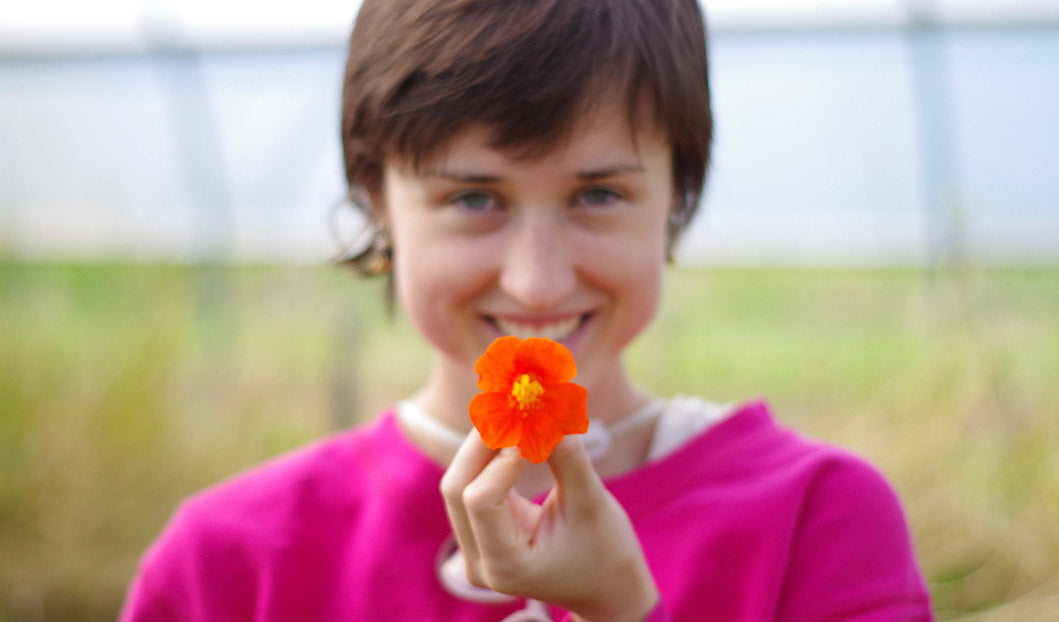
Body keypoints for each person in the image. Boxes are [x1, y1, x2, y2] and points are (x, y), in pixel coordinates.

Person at [120, 0, 933, 620]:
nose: (538, 284)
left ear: (678, 196)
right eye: (474, 197)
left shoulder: (819, 521)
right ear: (377, 202)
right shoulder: (228, 563)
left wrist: (616, 613)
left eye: (599, 194)